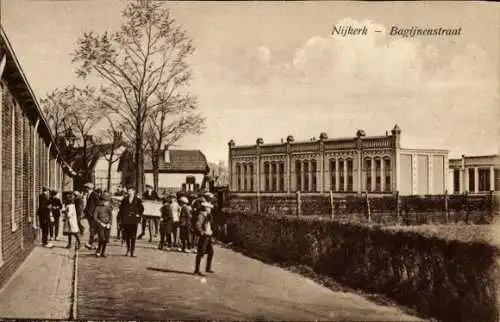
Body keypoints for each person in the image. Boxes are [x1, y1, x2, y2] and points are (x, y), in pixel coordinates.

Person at [117, 185, 144, 257]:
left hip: (133, 220)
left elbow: (141, 208)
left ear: (133, 191)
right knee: (127, 236)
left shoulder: (138, 200)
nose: (129, 192)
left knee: (133, 236)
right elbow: (121, 209)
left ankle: (133, 251)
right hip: (126, 219)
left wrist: (139, 215)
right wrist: (120, 219)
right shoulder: (124, 199)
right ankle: (128, 250)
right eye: (128, 191)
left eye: (130, 191)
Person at [194, 202, 215, 276]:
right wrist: (202, 232)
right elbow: (198, 225)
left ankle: (207, 268)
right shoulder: (201, 215)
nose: (210, 209)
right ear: (206, 208)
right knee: (201, 252)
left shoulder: (208, 215)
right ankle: (197, 270)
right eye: (209, 208)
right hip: (204, 236)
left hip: (208, 235)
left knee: (211, 252)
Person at [94, 192, 113, 258]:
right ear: (102, 201)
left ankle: (103, 252)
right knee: (101, 238)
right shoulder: (97, 208)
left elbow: (111, 216)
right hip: (100, 226)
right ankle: (98, 250)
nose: (106, 203)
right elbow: (95, 217)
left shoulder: (108, 208)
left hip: (107, 226)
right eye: (105, 201)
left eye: (107, 201)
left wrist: (109, 223)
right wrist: (101, 223)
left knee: (106, 239)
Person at [84, 183, 100, 250]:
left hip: (93, 215)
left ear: (89, 188)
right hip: (89, 214)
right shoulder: (89, 194)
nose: (85, 189)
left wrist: (95, 213)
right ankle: (94, 244)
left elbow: (97, 204)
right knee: (93, 229)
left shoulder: (94, 194)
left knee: (93, 229)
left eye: (86, 188)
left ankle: (91, 244)